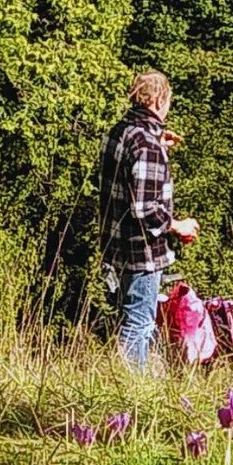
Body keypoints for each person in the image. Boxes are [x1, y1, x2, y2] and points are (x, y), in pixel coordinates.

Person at [95, 70, 198, 371]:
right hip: (142, 252)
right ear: (157, 100)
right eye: (167, 100)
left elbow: (126, 170)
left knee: (129, 315)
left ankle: (133, 384)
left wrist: (159, 143)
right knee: (139, 321)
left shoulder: (120, 131)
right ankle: (132, 391)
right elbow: (145, 208)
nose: (168, 107)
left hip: (115, 245)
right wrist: (178, 225)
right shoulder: (146, 146)